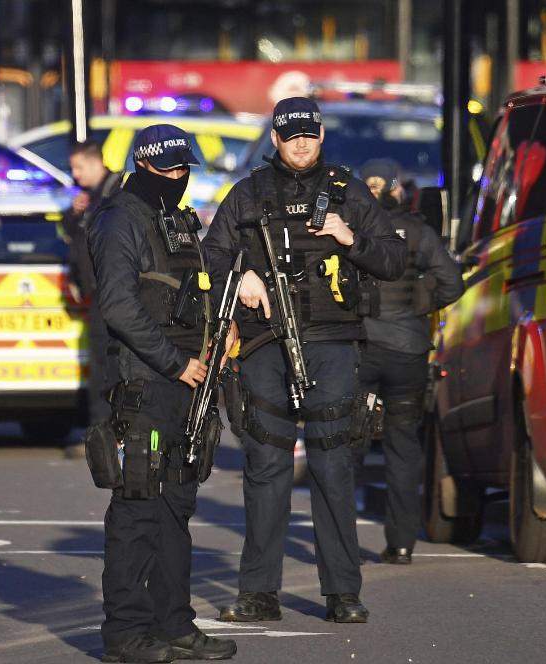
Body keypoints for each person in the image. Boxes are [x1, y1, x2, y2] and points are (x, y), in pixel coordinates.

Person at [203, 97, 407, 624]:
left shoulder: (347, 191)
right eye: (290, 135)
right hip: (265, 343)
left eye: (309, 135)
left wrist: (350, 237)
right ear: (274, 138)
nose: (300, 144)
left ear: (321, 137)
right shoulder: (248, 193)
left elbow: (392, 259)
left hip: (333, 342)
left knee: (333, 463)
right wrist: (238, 278)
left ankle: (342, 592)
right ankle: (259, 592)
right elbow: (210, 255)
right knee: (266, 464)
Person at [89, 124, 237, 663]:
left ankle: (174, 623)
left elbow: (191, 293)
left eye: (184, 168)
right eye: (169, 168)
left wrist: (220, 339)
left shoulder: (175, 219)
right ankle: (126, 634)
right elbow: (120, 307)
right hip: (147, 382)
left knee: (177, 507)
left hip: (186, 384)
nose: (178, 176)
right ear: (145, 166)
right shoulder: (119, 218)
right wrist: (177, 363)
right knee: (136, 510)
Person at [355, 158, 465, 564]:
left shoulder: (353, 231)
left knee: (349, 444)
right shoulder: (420, 232)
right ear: (398, 189)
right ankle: (401, 545)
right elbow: (453, 283)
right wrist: (422, 303)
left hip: (361, 350)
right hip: (408, 353)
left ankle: (340, 541)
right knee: (403, 447)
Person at [63, 141, 123, 426]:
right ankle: (102, 426)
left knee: (107, 361)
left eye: (79, 167)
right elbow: (72, 234)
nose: (75, 174)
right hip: (98, 290)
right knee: (102, 359)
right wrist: (74, 214)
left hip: (113, 289)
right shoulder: (89, 196)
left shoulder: (116, 191)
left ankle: (103, 426)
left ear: (95, 162)